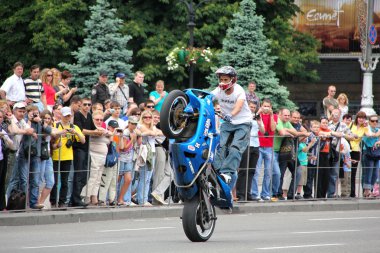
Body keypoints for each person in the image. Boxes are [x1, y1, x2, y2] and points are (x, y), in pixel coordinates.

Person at [211, 66, 252, 188]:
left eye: (225, 80)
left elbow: (238, 106)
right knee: (221, 146)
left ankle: (226, 173)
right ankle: (216, 171)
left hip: (242, 123)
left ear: (233, 80)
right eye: (221, 79)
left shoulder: (239, 91)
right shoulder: (218, 90)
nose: (222, 82)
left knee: (235, 148)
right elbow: (208, 97)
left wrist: (230, 115)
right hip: (227, 123)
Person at [50, 107, 85, 208]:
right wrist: (61, 133)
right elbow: (52, 134)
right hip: (56, 156)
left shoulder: (74, 127)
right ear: (61, 115)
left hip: (68, 156)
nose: (67, 118)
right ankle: (53, 201)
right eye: (65, 116)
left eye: (68, 116)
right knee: (55, 181)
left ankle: (62, 201)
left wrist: (76, 132)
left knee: (65, 181)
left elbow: (83, 140)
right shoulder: (56, 124)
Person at [71, 98, 99, 207]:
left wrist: (100, 131)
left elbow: (93, 128)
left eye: (89, 105)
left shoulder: (89, 115)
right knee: (79, 174)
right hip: (78, 148)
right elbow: (80, 130)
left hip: (86, 148)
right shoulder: (78, 115)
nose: (87, 106)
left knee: (86, 174)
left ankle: (77, 196)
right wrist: (95, 132)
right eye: (85, 105)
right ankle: (75, 199)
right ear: (80, 105)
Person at [251, 98, 279, 201]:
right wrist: (259, 112)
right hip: (258, 146)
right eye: (264, 106)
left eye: (268, 106)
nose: (266, 108)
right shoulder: (258, 115)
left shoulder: (275, 116)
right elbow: (252, 121)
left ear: (271, 107)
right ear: (261, 106)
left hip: (268, 147)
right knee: (256, 171)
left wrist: (271, 115)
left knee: (268, 171)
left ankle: (265, 193)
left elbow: (272, 129)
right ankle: (255, 193)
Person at [235, 101, 264, 201]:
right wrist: (256, 114)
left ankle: (248, 193)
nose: (252, 108)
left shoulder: (257, 117)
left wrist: (260, 123)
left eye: (254, 107)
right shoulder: (244, 115)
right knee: (243, 170)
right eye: (251, 106)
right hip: (246, 145)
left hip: (256, 145)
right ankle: (240, 194)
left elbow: (263, 132)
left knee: (251, 171)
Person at [81, 110, 110, 206]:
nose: (99, 121)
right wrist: (106, 134)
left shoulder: (102, 128)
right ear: (92, 119)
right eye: (97, 119)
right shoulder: (92, 128)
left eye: (101, 120)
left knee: (98, 177)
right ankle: (86, 196)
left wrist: (107, 134)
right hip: (94, 154)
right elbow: (102, 133)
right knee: (93, 176)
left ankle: (94, 195)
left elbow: (109, 136)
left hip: (102, 155)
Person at [151, 110, 172, 205]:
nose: (156, 119)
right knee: (159, 174)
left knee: (170, 174)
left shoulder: (162, 125)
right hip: (158, 148)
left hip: (166, 150)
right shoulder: (151, 126)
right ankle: (156, 199)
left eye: (158, 118)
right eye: (154, 117)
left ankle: (158, 193)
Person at [117, 116, 139, 206]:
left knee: (128, 179)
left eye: (135, 124)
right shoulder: (126, 132)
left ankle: (120, 199)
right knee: (117, 179)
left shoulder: (133, 132)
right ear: (129, 123)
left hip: (129, 159)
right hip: (122, 158)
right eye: (132, 123)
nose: (134, 125)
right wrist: (132, 140)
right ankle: (112, 198)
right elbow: (124, 148)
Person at [361, 115, 380, 198]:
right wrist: (376, 136)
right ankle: (367, 191)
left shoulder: (378, 129)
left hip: (377, 152)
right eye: (372, 121)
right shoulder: (366, 128)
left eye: (376, 121)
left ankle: (371, 189)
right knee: (368, 172)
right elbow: (368, 135)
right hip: (368, 152)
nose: (375, 122)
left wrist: (377, 141)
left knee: (375, 173)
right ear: (369, 121)